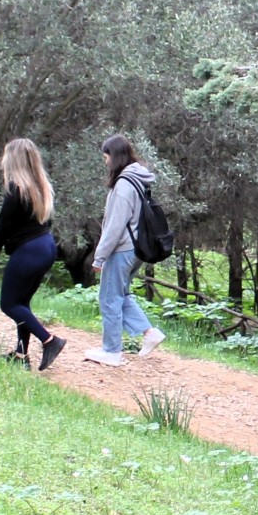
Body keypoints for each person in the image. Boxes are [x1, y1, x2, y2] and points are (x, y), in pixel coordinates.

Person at [84, 134, 164, 367]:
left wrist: (99, 257)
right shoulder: (139, 179)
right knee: (120, 294)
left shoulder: (123, 185)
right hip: (138, 249)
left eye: (106, 157)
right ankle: (148, 333)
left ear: (115, 156)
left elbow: (115, 226)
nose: (105, 162)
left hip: (123, 249)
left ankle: (112, 351)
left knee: (109, 298)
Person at [0, 137, 66, 371]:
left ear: (13, 159)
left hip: (29, 250)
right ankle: (21, 355)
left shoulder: (16, 188)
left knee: (9, 304)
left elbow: (3, 225)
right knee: (22, 302)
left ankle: (50, 341)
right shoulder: (40, 186)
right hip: (45, 246)